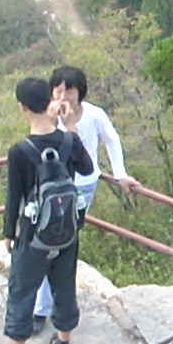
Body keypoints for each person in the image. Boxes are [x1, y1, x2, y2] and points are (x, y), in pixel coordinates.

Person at [0, 74, 92, 344]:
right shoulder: (67, 140)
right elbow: (86, 170)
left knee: (21, 293)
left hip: (33, 236)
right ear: (50, 100)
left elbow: (14, 197)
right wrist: (70, 128)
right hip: (67, 231)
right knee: (64, 287)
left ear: (22, 108)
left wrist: (9, 233)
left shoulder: (20, 150)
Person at [32, 63, 129, 327]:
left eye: (69, 91)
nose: (63, 97)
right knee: (48, 245)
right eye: (58, 90)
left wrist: (119, 173)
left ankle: (47, 309)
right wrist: (51, 121)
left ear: (80, 92)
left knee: (62, 245)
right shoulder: (47, 117)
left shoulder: (94, 115)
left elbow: (112, 139)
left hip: (83, 187)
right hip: (51, 187)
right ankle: (43, 308)